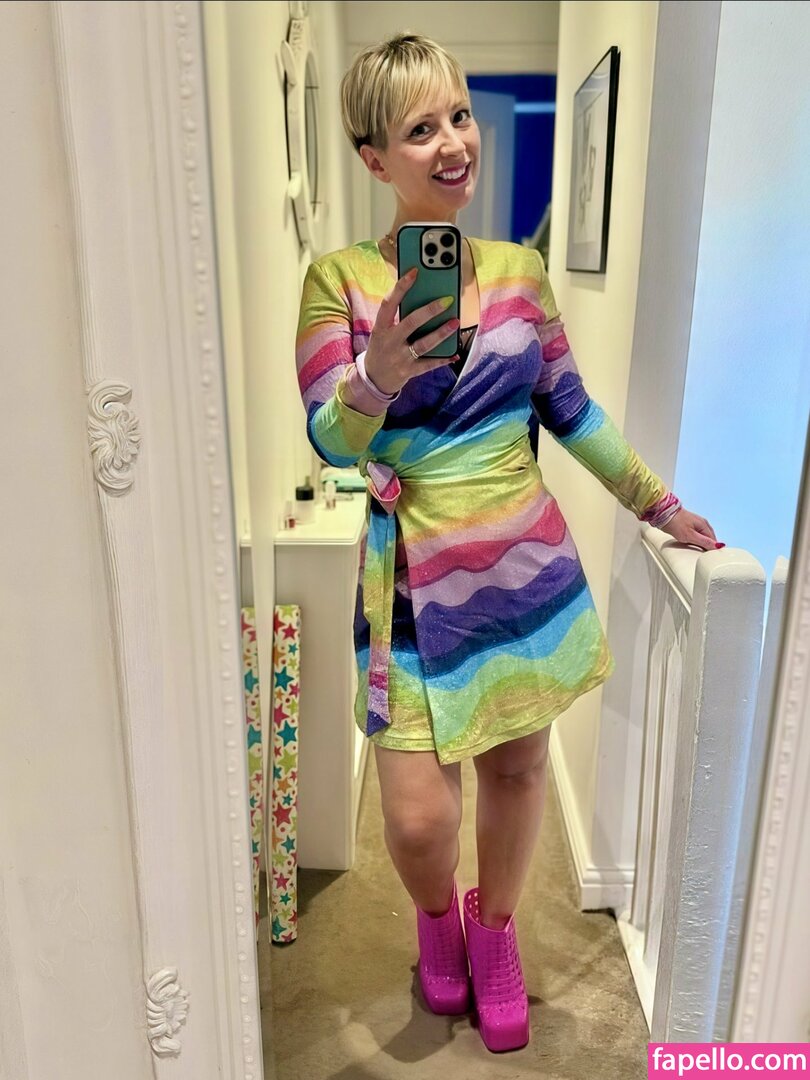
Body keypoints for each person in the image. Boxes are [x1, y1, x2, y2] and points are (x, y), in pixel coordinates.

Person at [295, 32, 719, 1054]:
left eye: (458, 117)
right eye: (419, 129)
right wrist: (377, 373)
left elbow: (571, 409)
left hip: (523, 571)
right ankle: (437, 916)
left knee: (520, 771)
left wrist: (657, 504)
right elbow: (329, 436)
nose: (453, 143)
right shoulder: (338, 281)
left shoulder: (524, 274)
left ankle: (494, 935)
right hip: (407, 585)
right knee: (416, 819)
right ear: (373, 158)